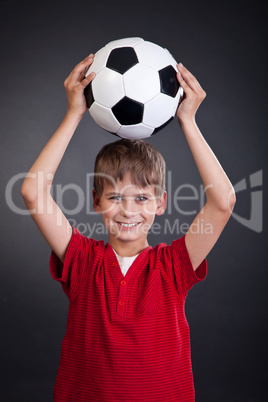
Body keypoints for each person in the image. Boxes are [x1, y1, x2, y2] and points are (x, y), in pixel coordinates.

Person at [21, 54, 236, 402]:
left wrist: (188, 121)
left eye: (142, 199)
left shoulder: (173, 266)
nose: (127, 211)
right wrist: (74, 112)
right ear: (96, 201)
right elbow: (32, 192)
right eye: (115, 197)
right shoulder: (81, 259)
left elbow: (223, 202)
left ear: (162, 204)